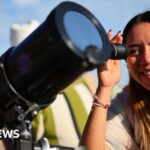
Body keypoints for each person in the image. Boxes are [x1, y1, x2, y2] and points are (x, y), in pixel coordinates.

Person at [79, 11, 150, 150]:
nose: (146, 59)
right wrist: (105, 88)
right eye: (135, 50)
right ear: (126, 61)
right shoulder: (126, 107)